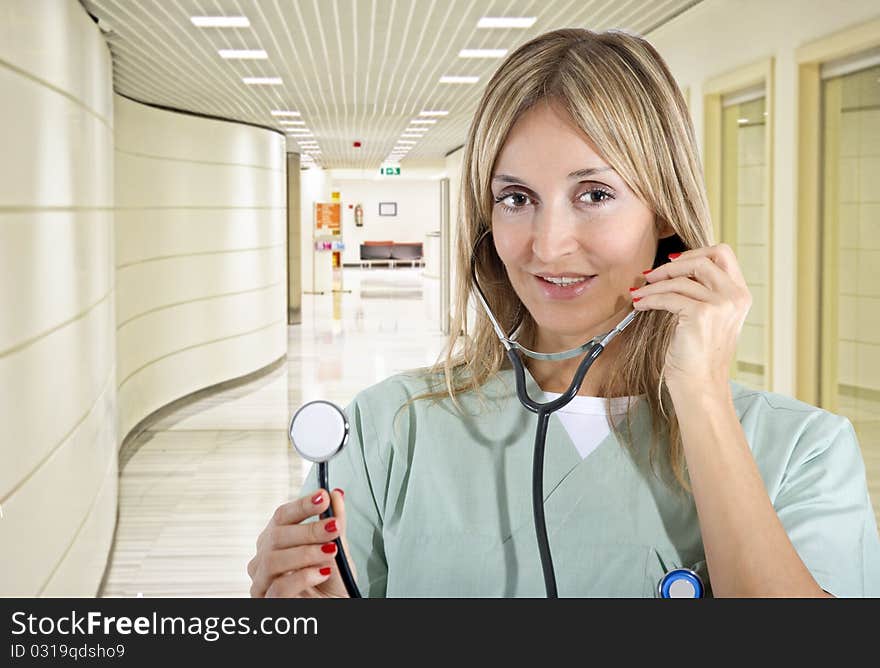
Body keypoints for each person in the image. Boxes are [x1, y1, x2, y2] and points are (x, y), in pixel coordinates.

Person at [247, 28, 880, 598]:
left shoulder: (802, 451)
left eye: (595, 194)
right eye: (516, 198)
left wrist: (701, 395)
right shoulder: (386, 432)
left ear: (664, 211)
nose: (548, 245)